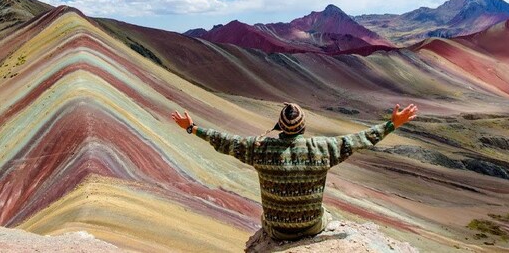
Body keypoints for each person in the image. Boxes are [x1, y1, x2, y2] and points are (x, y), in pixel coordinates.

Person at [171, 102, 418, 241]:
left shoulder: (259, 149)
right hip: (312, 226)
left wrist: (192, 128)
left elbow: (224, 140)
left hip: (276, 229)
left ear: (279, 127)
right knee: (326, 212)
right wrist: (392, 124)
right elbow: (359, 139)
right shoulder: (322, 148)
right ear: (303, 127)